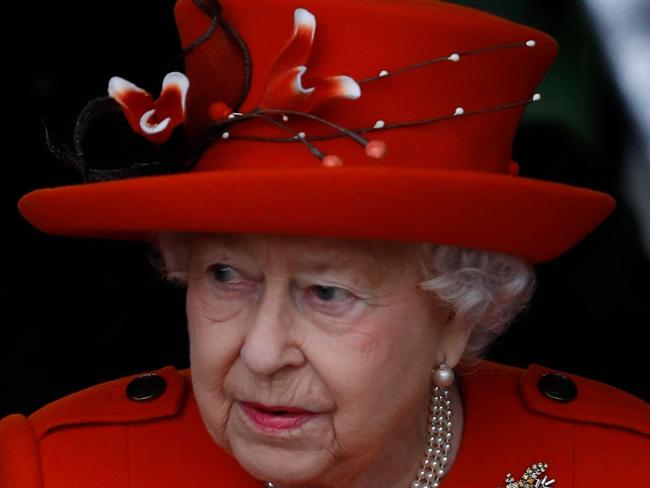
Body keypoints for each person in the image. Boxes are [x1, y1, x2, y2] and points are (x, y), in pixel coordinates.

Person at [2, 0, 648, 487]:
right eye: (227, 275)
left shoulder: (616, 466)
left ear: (457, 316)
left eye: (328, 291)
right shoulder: (54, 468)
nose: (260, 353)